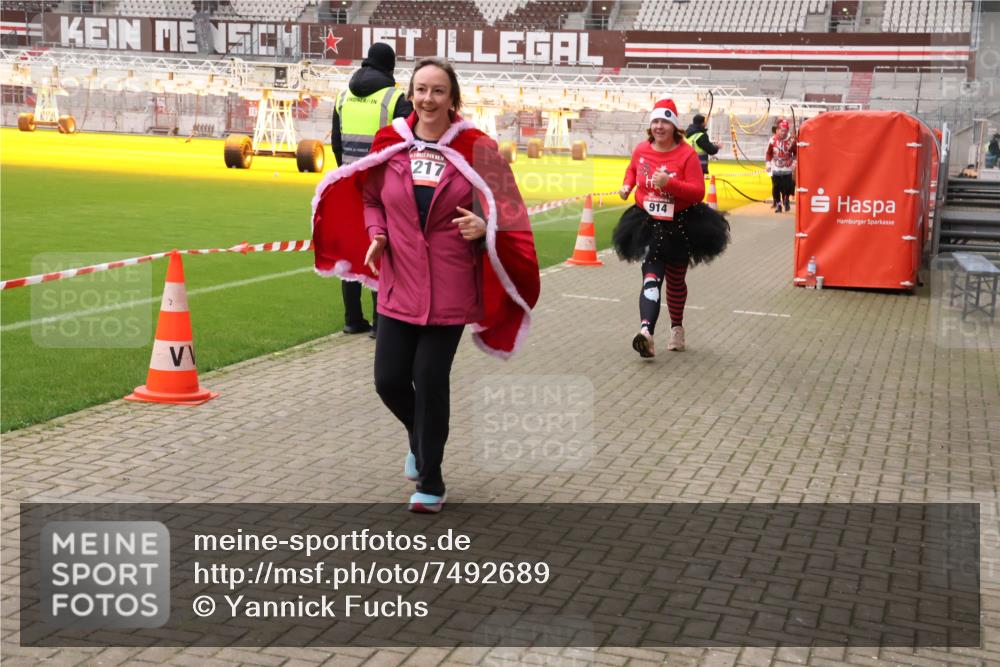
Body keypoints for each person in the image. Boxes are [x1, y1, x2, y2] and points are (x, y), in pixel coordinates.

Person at [311, 57, 540, 513]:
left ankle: (431, 480)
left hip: (452, 288)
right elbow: (371, 196)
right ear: (409, 94)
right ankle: (421, 441)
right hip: (398, 285)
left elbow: (508, 210)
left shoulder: (478, 147)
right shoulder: (391, 142)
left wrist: (484, 225)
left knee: (429, 380)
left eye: (438, 91)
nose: (428, 99)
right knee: (389, 380)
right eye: (420, 89)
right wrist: (377, 234)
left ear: (453, 98)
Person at [613, 99, 730, 359]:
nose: (659, 126)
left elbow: (697, 192)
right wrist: (626, 186)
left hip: (680, 225)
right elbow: (632, 170)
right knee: (651, 277)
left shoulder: (686, 154)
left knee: (676, 280)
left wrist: (669, 184)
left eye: (664, 121)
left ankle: (676, 328)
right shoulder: (642, 149)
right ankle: (646, 333)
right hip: (647, 223)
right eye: (655, 121)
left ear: (675, 126)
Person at [332, 43, 414, 337]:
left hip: (350, 182)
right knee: (382, 249)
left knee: (353, 250)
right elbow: (409, 144)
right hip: (382, 188)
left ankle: (352, 319)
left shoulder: (343, 97)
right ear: (390, 67)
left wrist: (348, 171)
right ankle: (381, 324)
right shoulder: (395, 98)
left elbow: (336, 144)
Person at [766, 119, 797, 213]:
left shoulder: (791, 141)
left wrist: (792, 161)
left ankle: (786, 199)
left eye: (785, 131)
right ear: (777, 130)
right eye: (781, 130)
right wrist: (768, 164)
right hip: (775, 168)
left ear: (787, 131)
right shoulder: (772, 140)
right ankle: (778, 205)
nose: (783, 133)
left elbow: (796, 154)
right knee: (776, 187)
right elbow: (768, 153)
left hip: (787, 168)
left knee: (788, 186)